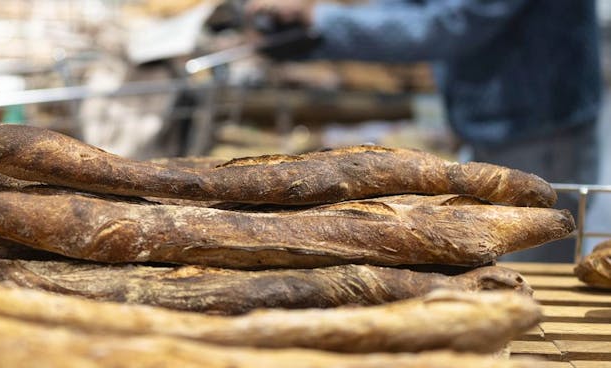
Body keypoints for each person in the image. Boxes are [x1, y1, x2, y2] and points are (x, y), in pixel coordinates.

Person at [246, 0, 603, 262]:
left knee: (531, 276)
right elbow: (411, 7)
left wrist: (323, 21)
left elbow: (453, 23)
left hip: (542, 132)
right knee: (491, 260)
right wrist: (313, 28)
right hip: (493, 123)